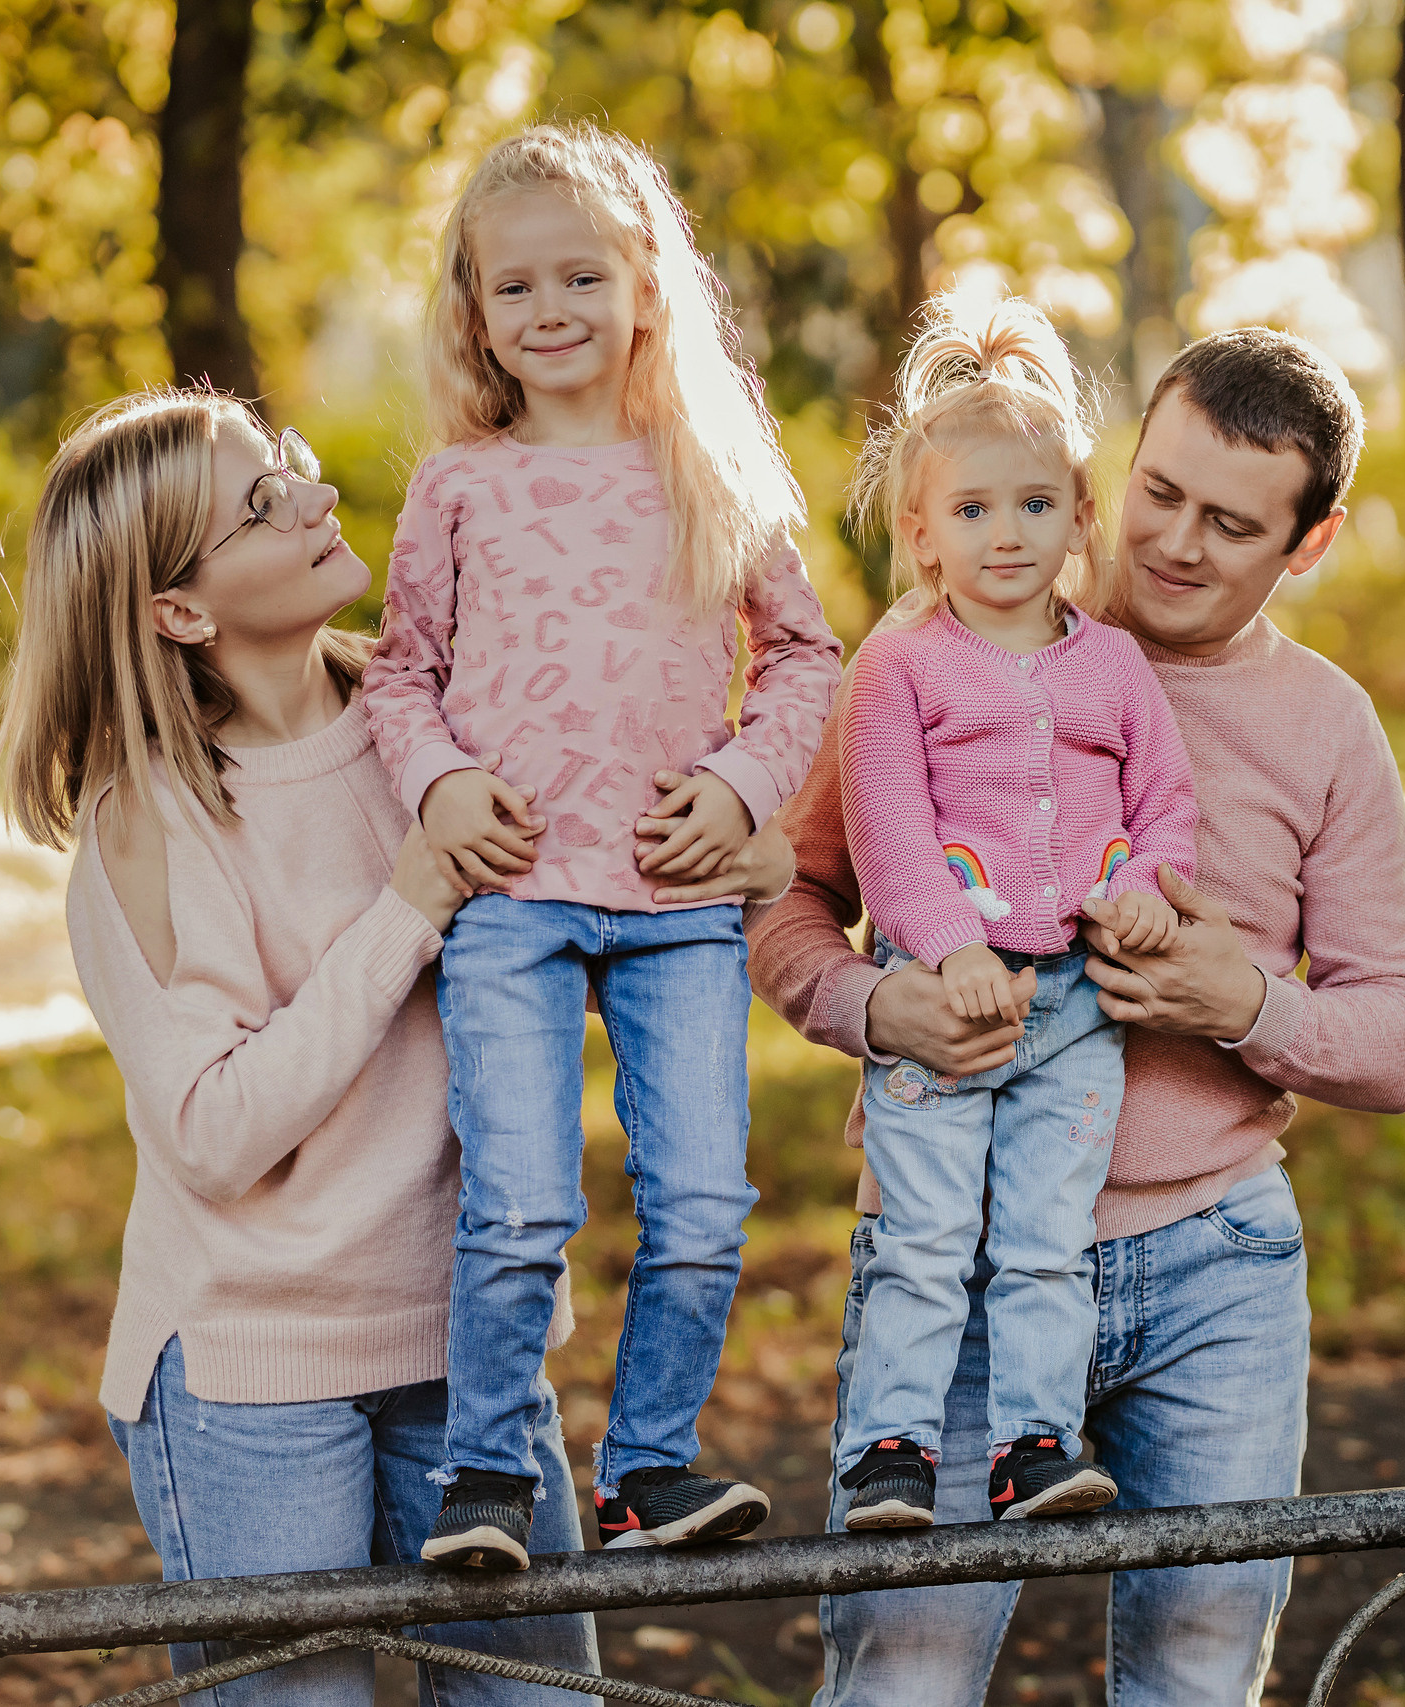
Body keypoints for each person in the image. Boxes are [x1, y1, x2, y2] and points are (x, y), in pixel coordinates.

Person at [0, 388, 797, 1702]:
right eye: (261, 503)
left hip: (472, 1354)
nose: (315, 499)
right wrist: (411, 904)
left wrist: (740, 859)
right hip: (255, 1374)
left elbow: (593, 946)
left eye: (296, 470)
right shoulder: (148, 823)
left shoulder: (444, 724)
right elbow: (212, 1130)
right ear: (178, 610)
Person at [750, 327, 1405, 1706]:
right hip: (955, 1257)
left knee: (1198, 1671)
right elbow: (787, 907)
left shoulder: (1328, 725)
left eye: (1233, 522)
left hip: (1216, 1267)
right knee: (905, 1673)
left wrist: (1244, 1002)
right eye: (1159, 492)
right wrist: (880, 1002)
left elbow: (1403, 1038)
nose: (1177, 542)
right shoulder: (931, 658)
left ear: (1309, 543)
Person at [364, 122, 844, 1570]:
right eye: (518, 287)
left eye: (583, 275)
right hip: (512, 895)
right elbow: (399, 674)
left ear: (646, 285)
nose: (552, 309)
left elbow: (808, 656)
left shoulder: (706, 467)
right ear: (476, 311)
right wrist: (441, 783)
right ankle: (489, 1472)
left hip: (679, 895)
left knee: (702, 1204)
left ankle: (646, 1466)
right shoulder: (458, 485)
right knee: (518, 1206)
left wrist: (746, 785)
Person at [829, 290, 1197, 1533]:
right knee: (925, 1242)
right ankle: (890, 1448)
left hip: (1077, 1014)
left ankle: (1034, 1443)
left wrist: (1141, 895)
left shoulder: (1113, 668)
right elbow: (885, 832)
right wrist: (949, 950)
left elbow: (1166, 808)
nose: (1006, 534)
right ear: (922, 535)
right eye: (973, 512)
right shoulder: (899, 667)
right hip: (950, 1008)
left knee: (1046, 1241)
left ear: (1079, 518)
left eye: (1035, 505)